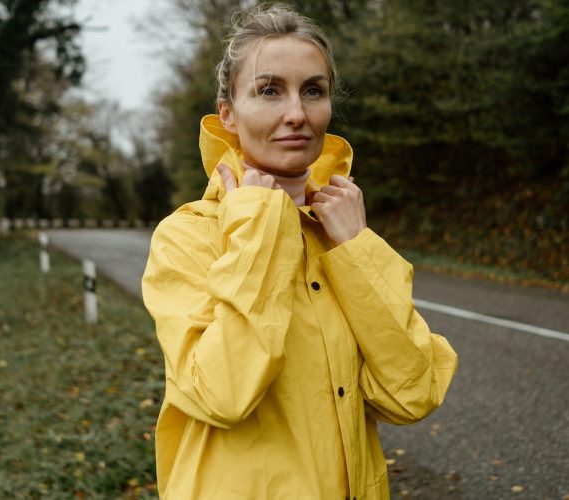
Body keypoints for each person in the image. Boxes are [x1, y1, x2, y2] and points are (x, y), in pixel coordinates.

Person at [141, 4, 458, 498]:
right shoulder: (187, 236)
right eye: (269, 90)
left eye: (313, 90)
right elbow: (222, 393)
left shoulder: (342, 234)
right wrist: (260, 223)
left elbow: (411, 394)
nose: (297, 114)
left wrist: (355, 248)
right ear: (228, 112)